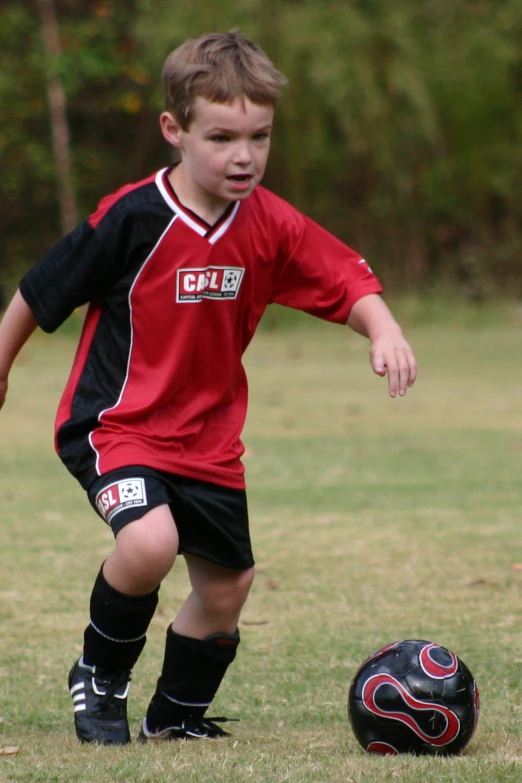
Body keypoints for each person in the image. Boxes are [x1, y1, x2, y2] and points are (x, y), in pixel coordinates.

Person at [0, 31, 417, 746]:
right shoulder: (133, 217)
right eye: (222, 136)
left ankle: (176, 715)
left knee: (227, 589)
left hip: (209, 443)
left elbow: (341, 275)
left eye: (259, 136)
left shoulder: (269, 223)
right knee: (149, 543)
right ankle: (99, 678)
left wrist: (383, 329)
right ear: (175, 130)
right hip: (117, 425)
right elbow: (41, 293)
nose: (244, 155)